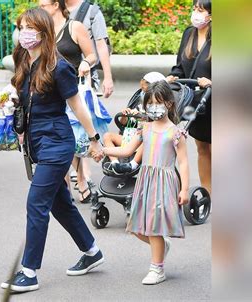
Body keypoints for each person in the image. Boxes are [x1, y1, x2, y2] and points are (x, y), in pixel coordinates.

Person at [0, 8, 104, 293]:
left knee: (36, 204)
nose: (24, 33)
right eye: (21, 27)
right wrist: (10, 100)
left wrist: (94, 138)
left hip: (57, 144)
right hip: (36, 143)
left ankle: (29, 271)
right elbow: (23, 95)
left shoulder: (59, 66)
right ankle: (92, 250)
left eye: (29, 28)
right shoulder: (23, 59)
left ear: (43, 32)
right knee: (60, 204)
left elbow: (76, 105)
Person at [98, 81, 189, 285]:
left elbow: (183, 162)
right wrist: (102, 150)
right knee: (138, 228)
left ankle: (157, 268)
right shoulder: (144, 129)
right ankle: (161, 247)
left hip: (164, 181)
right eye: (150, 103)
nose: (154, 107)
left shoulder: (176, 132)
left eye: (159, 102)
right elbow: (126, 150)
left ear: (169, 104)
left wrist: (184, 189)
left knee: (154, 227)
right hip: (146, 180)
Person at [39, 0, 99, 203]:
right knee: (60, 138)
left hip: (73, 89)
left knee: (73, 136)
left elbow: (92, 55)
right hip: (49, 93)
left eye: (43, 5)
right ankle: (65, 186)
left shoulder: (74, 27)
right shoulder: (43, 31)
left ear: (56, 5)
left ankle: (81, 178)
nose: (41, 9)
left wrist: (85, 62)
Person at [167, 0, 212, 194]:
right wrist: (173, 76)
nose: (196, 13)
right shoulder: (189, 34)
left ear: (211, 15)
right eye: (194, 9)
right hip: (195, 99)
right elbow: (180, 65)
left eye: (200, 10)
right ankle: (207, 193)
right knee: (202, 147)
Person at [103, 72, 166, 174]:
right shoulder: (139, 103)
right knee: (107, 136)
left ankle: (133, 164)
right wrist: (125, 115)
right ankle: (114, 163)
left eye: (145, 89)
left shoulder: (157, 109)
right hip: (129, 137)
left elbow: (155, 123)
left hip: (143, 140)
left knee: (146, 137)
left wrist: (142, 117)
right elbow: (124, 124)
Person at [65, 0, 114, 98]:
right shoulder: (54, 9)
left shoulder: (92, 12)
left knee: (84, 110)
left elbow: (101, 45)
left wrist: (108, 77)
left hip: (85, 76)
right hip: (59, 74)